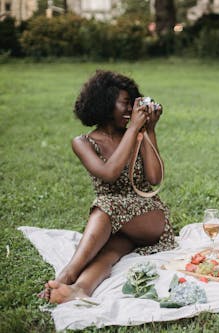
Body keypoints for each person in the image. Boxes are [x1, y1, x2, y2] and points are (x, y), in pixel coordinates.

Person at [41, 70, 176, 304]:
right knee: (106, 254)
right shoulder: (83, 142)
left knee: (105, 205)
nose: (130, 111)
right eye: (125, 104)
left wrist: (147, 130)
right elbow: (108, 174)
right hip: (115, 224)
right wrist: (134, 129)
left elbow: (154, 178)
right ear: (104, 103)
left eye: (132, 105)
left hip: (148, 217)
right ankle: (79, 289)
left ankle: (67, 274)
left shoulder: (136, 134)